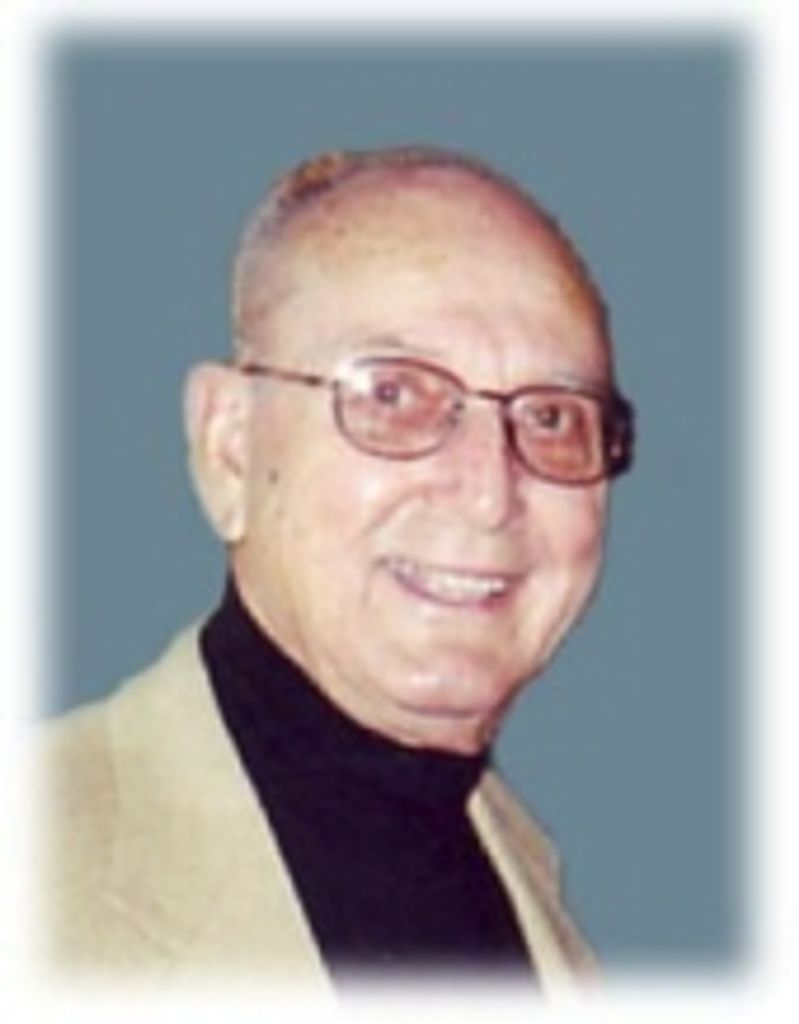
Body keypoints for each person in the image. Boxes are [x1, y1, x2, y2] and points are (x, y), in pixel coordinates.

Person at [43, 146, 634, 994]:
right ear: (229, 448)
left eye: (549, 416)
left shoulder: (522, 869)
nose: (487, 495)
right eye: (391, 395)